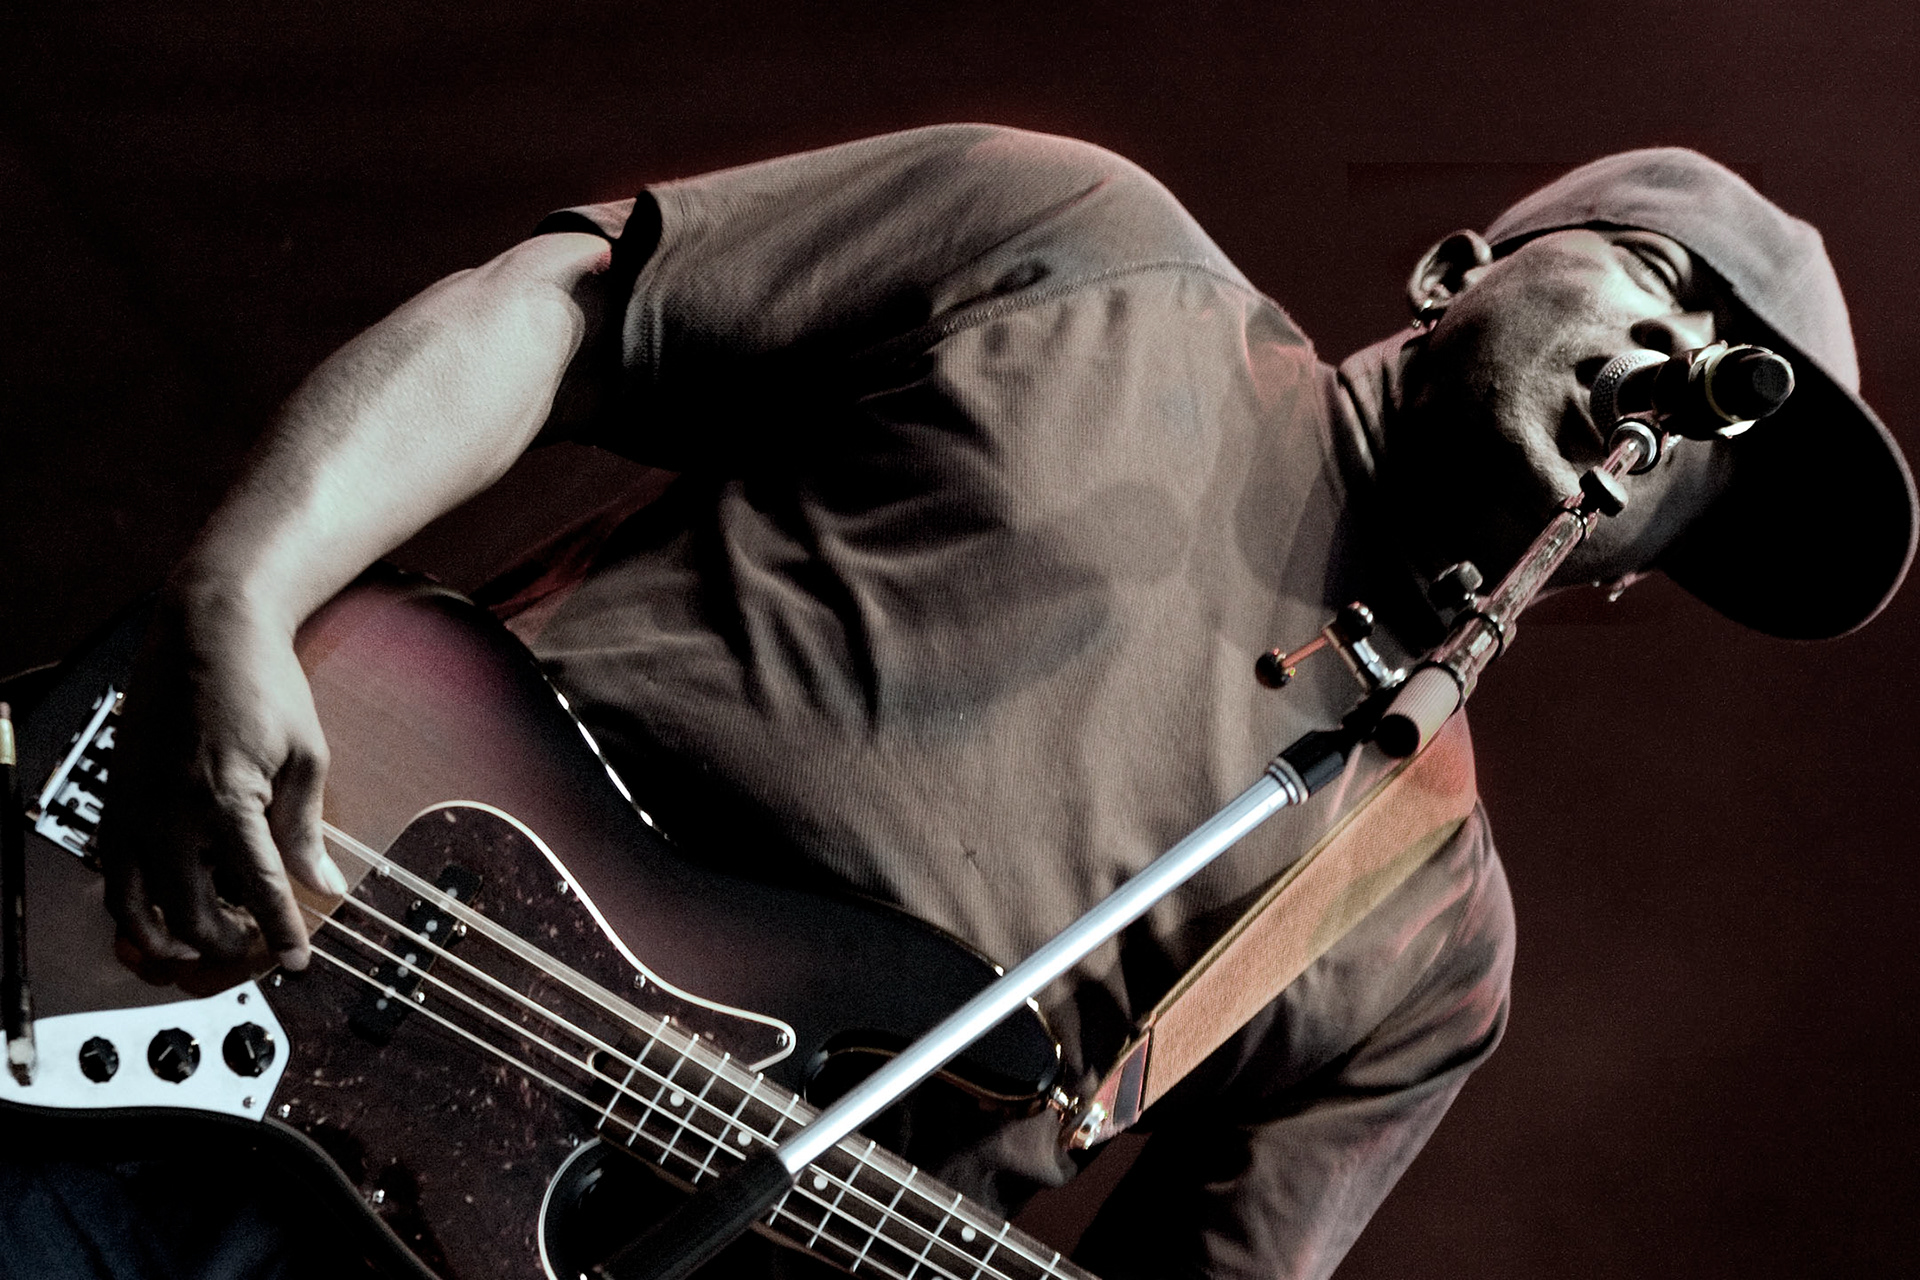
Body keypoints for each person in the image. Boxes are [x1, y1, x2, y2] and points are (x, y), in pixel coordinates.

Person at [75, 128, 1914, 1279]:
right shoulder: (1088, 248)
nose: (1680, 375)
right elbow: (561, 304)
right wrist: (243, 593)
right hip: (246, 929)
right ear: (1456, 274)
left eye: (1729, 408)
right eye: (1665, 293)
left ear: (1629, 569)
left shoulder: (1425, 930)